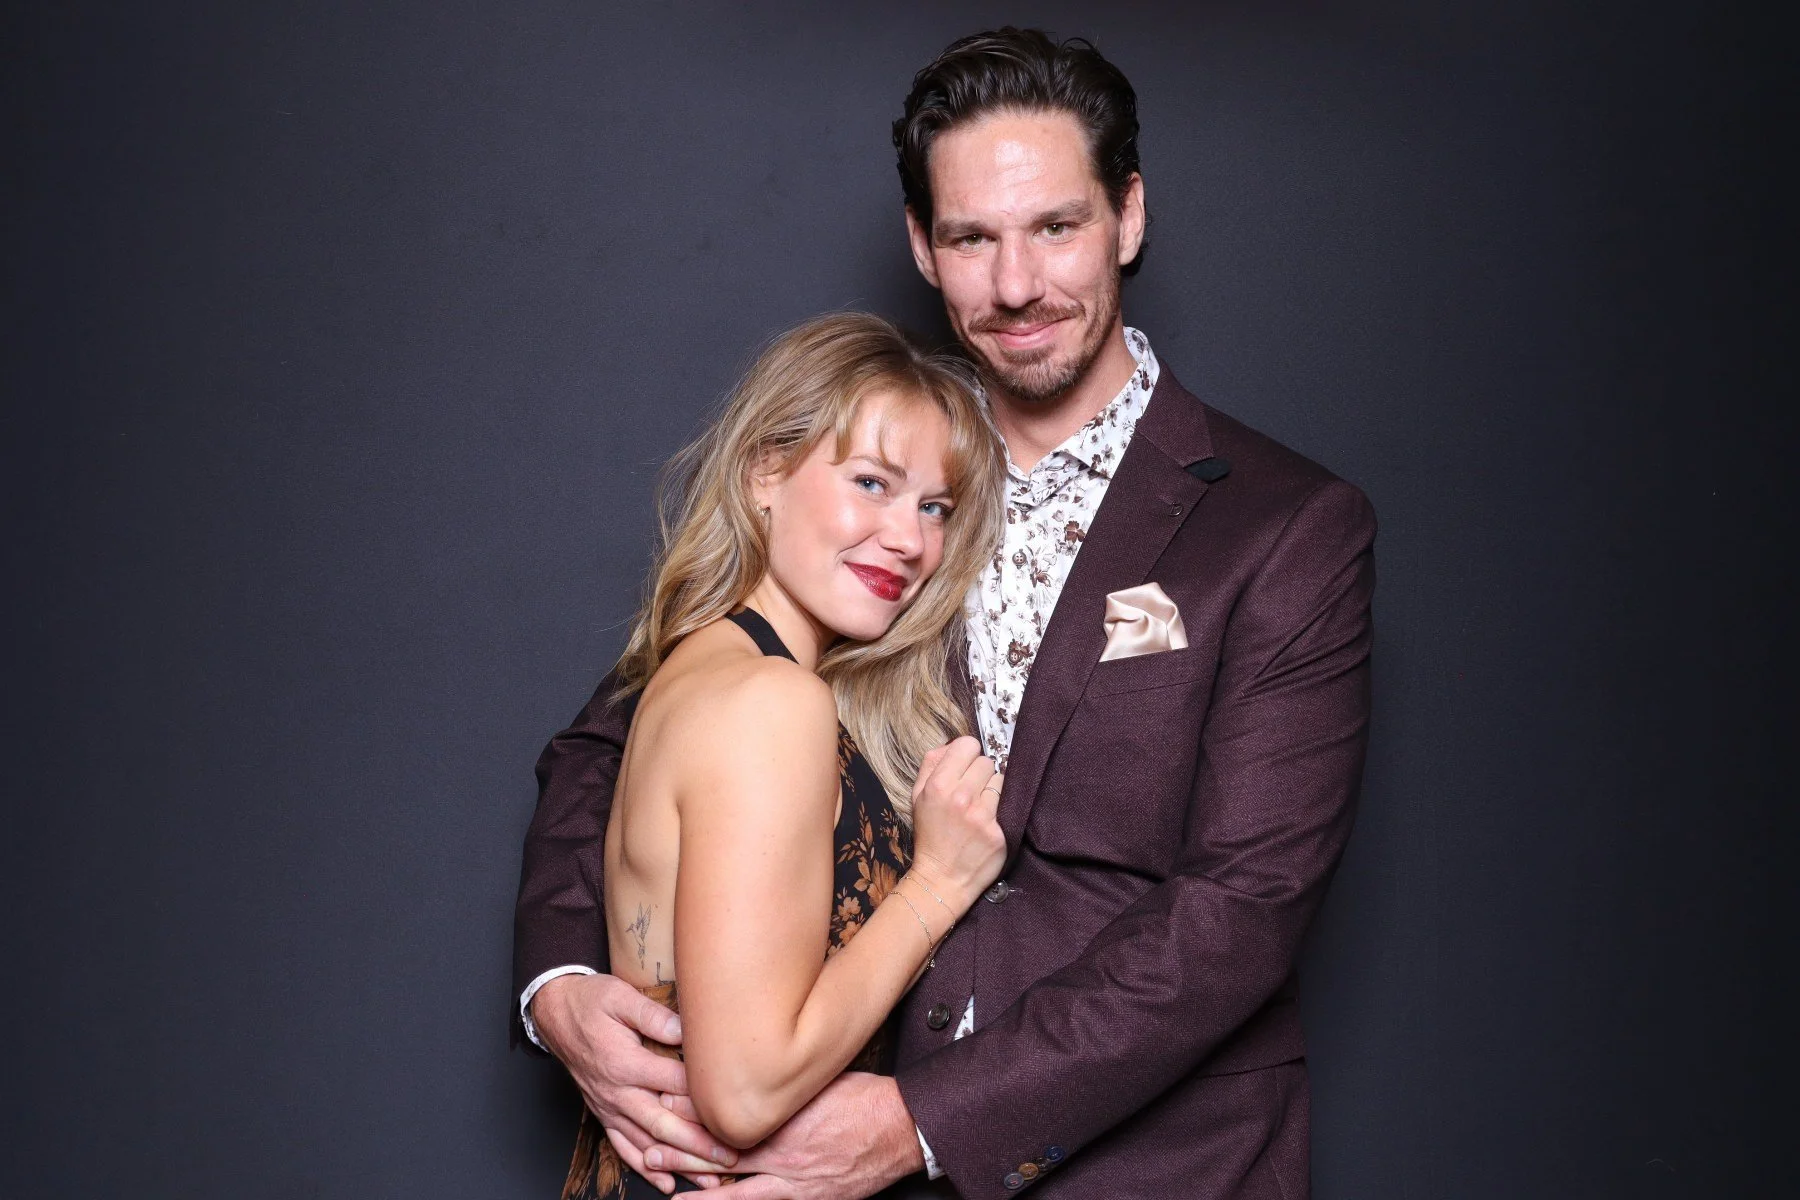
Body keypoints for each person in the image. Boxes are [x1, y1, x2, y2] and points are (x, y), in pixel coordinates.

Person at [515, 29, 1377, 1199]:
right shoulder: (869, 476)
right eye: (973, 237)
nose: (1016, 285)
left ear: (1128, 215)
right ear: (924, 247)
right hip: (798, 1141)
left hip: (1153, 1165)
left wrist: (927, 1120)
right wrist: (561, 986)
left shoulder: (1289, 528)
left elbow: (1242, 911)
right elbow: (625, 734)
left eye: (1056, 227)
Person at [545, 312, 1010, 1198]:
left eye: (934, 507)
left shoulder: (695, 665)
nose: (910, 540)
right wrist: (940, 885)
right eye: (871, 482)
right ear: (766, 471)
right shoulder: (773, 703)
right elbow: (746, 1089)